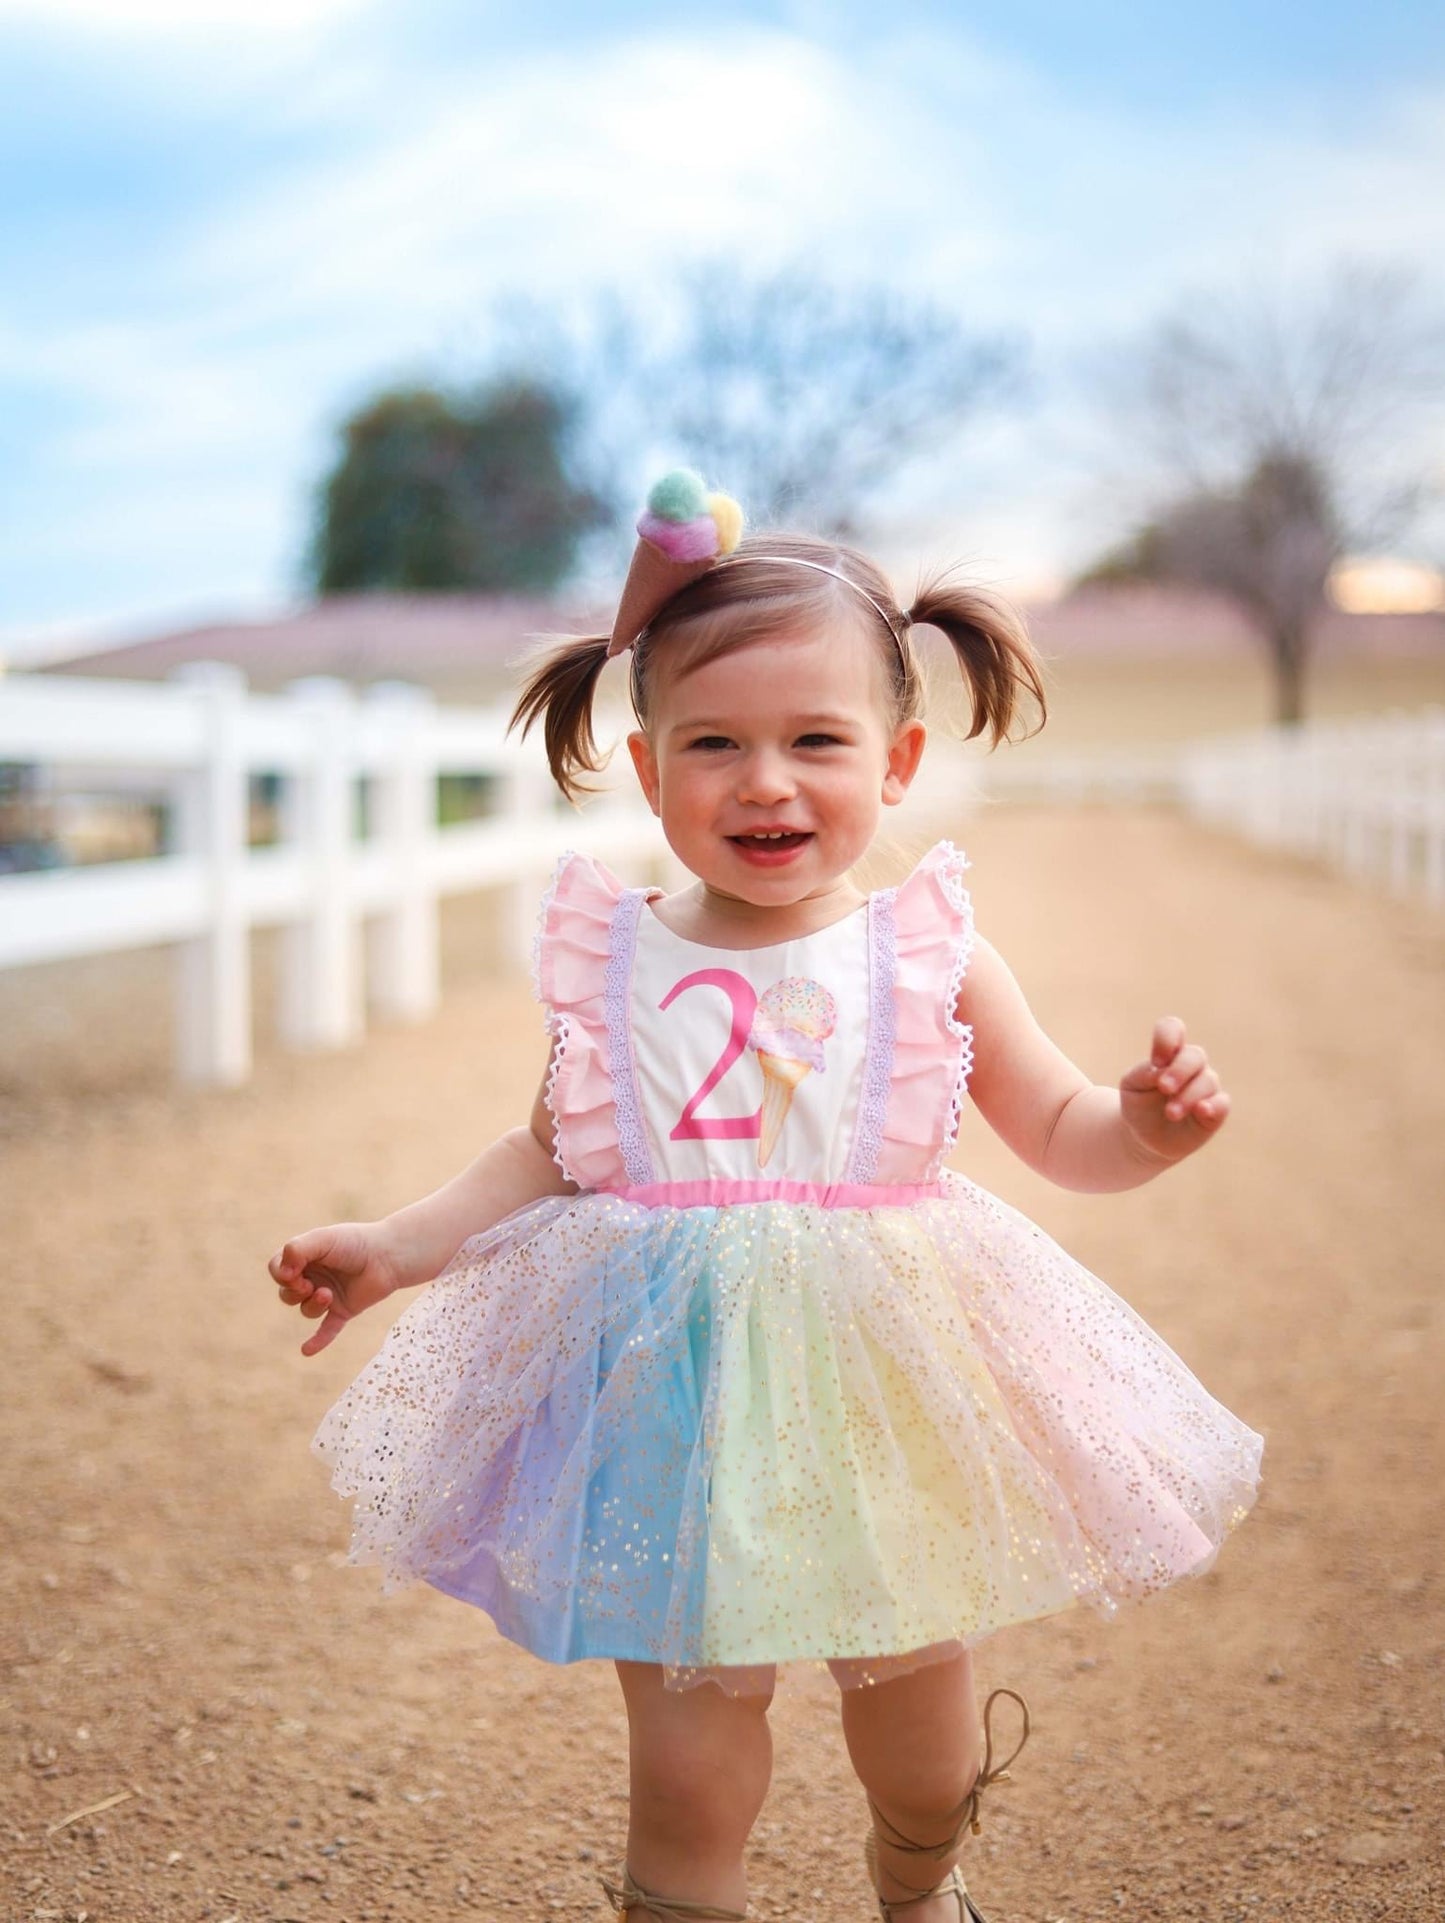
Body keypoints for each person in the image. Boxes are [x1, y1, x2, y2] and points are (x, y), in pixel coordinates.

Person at [269, 472, 1264, 1923]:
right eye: (714, 743)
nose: (765, 781)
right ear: (648, 759)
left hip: (883, 1394)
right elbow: (549, 1150)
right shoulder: (616, 961)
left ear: (897, 758)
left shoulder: (927, 954)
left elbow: (1059, 1127)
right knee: (685, 1761)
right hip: (668, 1400)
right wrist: (398, 1245)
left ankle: (914, 1877)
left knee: (919, 1744)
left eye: (815, 740)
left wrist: (1143, 1128)